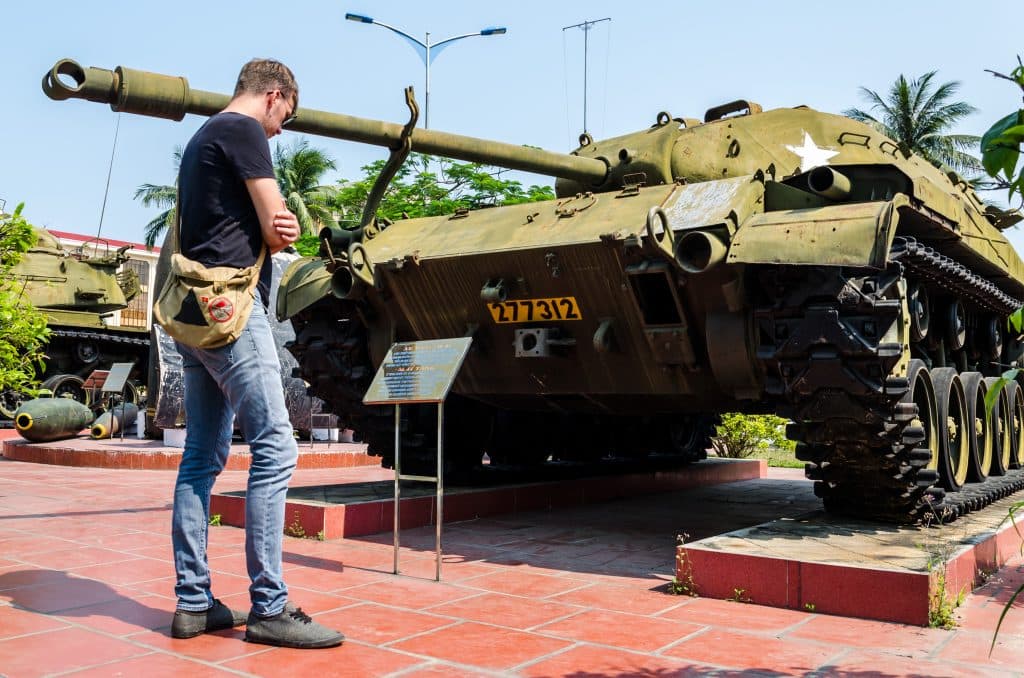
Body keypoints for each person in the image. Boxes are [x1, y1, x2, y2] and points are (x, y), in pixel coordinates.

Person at [168, 58, 344, 650]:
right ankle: (269, 606)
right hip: (233, 312)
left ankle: (194, 603)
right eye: (283, 116)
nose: (280, 128)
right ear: (273, 95)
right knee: (276, 446)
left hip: (192, 314)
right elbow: (277, 227)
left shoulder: (202, 136)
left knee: (201, 457)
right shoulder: (244, 131)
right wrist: (282, 226)